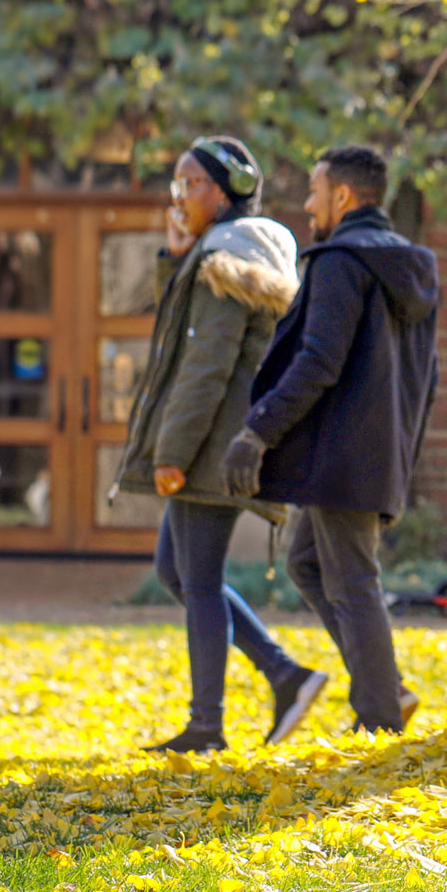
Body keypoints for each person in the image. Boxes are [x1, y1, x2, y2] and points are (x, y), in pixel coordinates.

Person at [114, 136, 329, 753]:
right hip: (221, 439)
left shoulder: (224, 264)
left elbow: (204, 367)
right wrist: (174, 256)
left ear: (226, 190)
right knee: (174, 570)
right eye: (175, 186)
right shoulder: (226, 254)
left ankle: (208, 726)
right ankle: (285, 674)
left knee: (198, 580)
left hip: (211, 443)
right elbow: (185, 333)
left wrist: (171, 453)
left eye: (191, 185)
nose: (178, 197)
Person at [220, 145, 439, 734]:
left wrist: (257, 432)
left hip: (342, 454)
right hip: (375, 450)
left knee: (353, 579)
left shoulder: (341, 261)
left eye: (315, 190)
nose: (309, 202)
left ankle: (379, 717)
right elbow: (429, 375)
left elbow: (318, 360)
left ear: (343, 196)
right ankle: (384, 687)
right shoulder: (411, 266)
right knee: (308, 563)